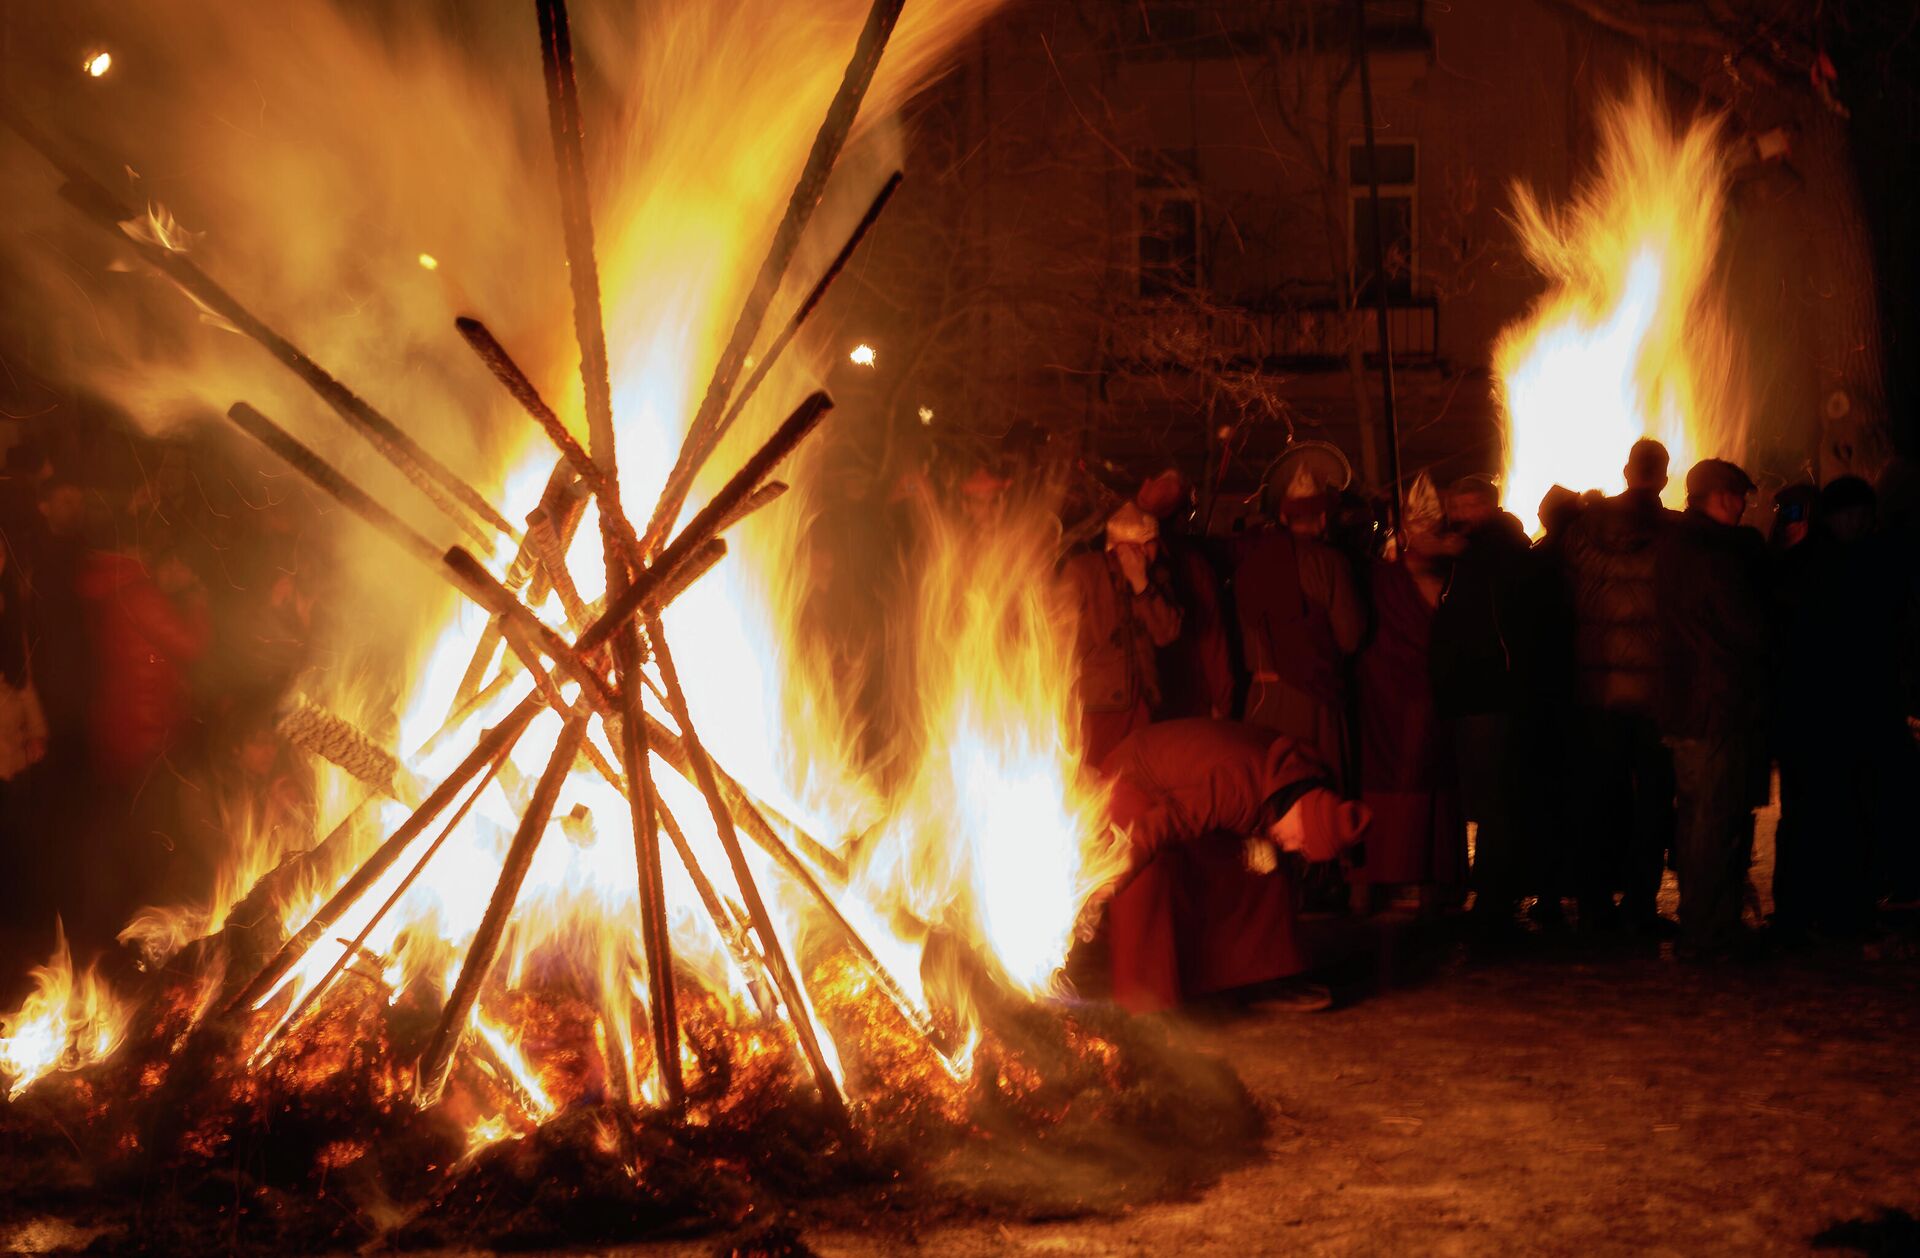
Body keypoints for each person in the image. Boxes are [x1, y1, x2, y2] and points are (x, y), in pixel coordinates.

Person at [1086, 718, 1371, 1012]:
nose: (1292, 847)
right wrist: (1112, 870)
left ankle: (1261, 980)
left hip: (1192, 787)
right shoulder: (1239, 786)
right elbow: (1171, 819)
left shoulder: (1300, 782)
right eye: (1300, 841)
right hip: (1134, 773)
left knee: (1266, 866)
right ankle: (1145, 1009)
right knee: (1145, 874)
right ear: (1299, 813)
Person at [1772, 476, 1916, 939]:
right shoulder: (1819, 561)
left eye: (1862, 513)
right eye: (1848, 513)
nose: (1856, 521)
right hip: (1820, 708)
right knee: (1818, 811)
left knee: (1847, 810)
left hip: (1849, 707)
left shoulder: (1868, 559)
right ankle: (1812, 909)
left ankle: (1837, 906)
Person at [1558, 439, 1679, 933]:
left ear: (1627, 471)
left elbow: (1565, 597)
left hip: (1597, 691)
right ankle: (1640, 903)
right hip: (1655, 695)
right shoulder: (1676, 536)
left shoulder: (1583, 531)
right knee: (1652, 800)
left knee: (1599, 797)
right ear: (1665, 477)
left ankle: (1592, 901)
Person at [1655, 458, 1770, 959]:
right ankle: (1707, 928)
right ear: (1711, 497)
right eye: (1734, 495)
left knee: (1705, 815)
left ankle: (1708, 922)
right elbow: (1746, 629)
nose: (1742, 504)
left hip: (1696, 703)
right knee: (1712, 818)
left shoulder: (1683, 546)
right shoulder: (1714, 554)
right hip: (1714, 705)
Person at [1428, 474, 1540, 939]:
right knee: (1488, 797)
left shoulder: (1496, 554)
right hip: (1473, 693)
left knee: (1495, 800)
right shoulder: (1464, 554)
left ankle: (1495, 895)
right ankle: (1489, 888)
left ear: (1488, 506)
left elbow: (1490, 626)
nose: (1459, 514)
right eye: (1456, 504)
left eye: (1469, 504)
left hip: (1491, 691)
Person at [1354, 473, 1466, 911]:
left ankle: (1426, 881)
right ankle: (1376, 879)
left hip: (1426, 697)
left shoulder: (1452, 577)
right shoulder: (1383, 580)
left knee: (1429, 779)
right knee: (1390, 780)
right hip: (1386, 695)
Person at [1230, 463, 1365, 786]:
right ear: (1322, 518)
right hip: (1312, 703)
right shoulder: (1330, 563)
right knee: (1318, 794)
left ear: (1285, 517)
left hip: (1260, 701)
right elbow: (1351, 637)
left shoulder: (1250, 561)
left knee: (1274, 790)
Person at [1060, 501, 1183, 765]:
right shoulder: (1083, 571)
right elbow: (1056, 635)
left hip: (1144, 703)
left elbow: (1167, 633)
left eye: (1149, 544)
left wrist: (1141, 585)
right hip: (1096, 707)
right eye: (1136, 546)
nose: (1145, 553)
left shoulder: (1157, 578)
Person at [1136, 469, 1233, 721]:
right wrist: (1223, 703)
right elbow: (1212, 638)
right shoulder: (1192, 565)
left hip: (1140, 708)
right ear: (1180, 517)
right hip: (1187, 703)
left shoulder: (1120, 560)